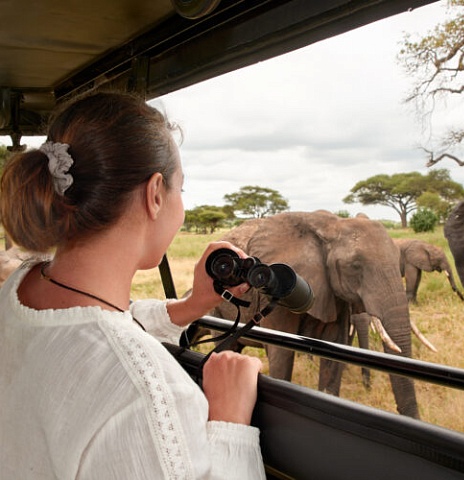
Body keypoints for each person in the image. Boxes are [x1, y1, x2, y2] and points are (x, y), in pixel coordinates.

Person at [0, 92, 266, 479]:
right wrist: (230, 425)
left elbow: (86, 330)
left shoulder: (20, 287)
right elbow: (107, 346)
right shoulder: (149, 396)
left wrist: (189, 307)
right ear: (155, 193)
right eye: (181, 190)